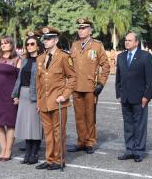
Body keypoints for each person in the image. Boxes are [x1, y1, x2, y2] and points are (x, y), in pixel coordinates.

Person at [35, 26, 76, 170]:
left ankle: (59, 160)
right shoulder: (40, 58)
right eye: (43, 39)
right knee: (48, 133)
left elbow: (72, 78)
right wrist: (39, 101)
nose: (45, 41)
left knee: (58, 133)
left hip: (58, 101)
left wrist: (64, 96)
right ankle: (49, 159)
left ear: (56, 40)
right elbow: (39, 82)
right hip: (44, 102)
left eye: (48, 38)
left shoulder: (64, 57)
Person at [68, 18, 110, 154]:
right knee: (79, 116)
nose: (80, 30)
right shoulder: (74, 45)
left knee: (90, 116)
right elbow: (69, 66)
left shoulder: (97, 46)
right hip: (76, 86)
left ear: (90, 30)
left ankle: (90, 141)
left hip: (90, 87)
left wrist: (101, 83)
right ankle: (81, 141)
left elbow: (106, 65)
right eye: (79, 28)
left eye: (83, 28)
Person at [115, 32, 152, 162]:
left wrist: (146, 96)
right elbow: (118, 78)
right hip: (125, 97)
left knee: (140, 125)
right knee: (128, 125)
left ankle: (138, 151)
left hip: (139, 98)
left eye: (130, 40)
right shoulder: (121, 56)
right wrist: (119, 94)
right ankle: (129, 149)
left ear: (137, 42)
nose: (127, 42)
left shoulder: (145, 56)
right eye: (126, 40)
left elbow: (150, 78)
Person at [12, 31, 44, 165]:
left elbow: (43, 82)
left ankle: (34, 153)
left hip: (35, 95)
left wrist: (40, 100)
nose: (29, 46)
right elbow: (19, 79)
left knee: (35, 126)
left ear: (37, 46)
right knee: (26, 125)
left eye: (32, 44)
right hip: (24, 95)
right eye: (28, 44)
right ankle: (27, 152)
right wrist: (16, 95)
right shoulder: (24, 59)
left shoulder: (42, 60)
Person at [0, 35, 21, 161]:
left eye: (6, 43)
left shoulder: (17, 60)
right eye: (2, 43)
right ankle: (2, 149)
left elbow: (19, 80)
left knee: (10, 124)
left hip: (10, 96)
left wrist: (17, 95)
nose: (3, 45)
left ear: (11, 45)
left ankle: (8, 150)